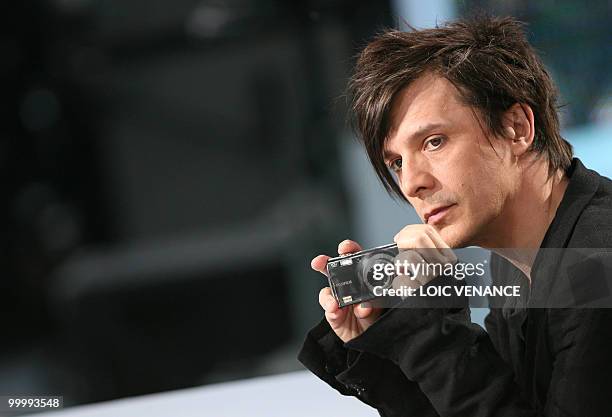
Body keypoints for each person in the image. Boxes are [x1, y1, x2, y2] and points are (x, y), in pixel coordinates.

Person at [298, 15, 612, 416]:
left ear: (517, 128)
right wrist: (393, 343)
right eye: (396, 162)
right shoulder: (517, 263)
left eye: (433, 142)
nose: (411, 184)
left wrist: (427, 332)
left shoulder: (596, 270)